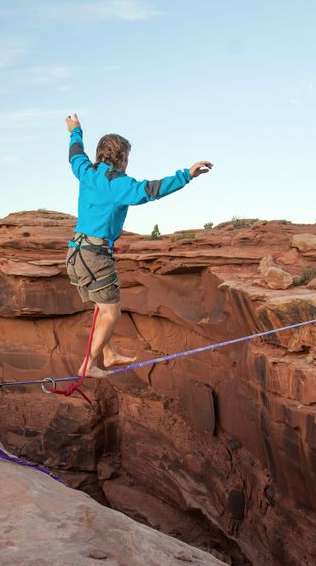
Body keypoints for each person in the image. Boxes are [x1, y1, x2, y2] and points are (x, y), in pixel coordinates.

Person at [64, 113, 212, 378]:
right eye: (127, 158)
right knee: (111, 312)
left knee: (101, 306)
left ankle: (107, 355)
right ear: (121, 159)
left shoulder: (86, 171)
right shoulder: (118, 183)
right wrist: (187, 175)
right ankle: (89, 363)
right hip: (95, 256)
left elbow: (75, 153)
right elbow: (152, 190)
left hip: (74, 254)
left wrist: (75, 130)